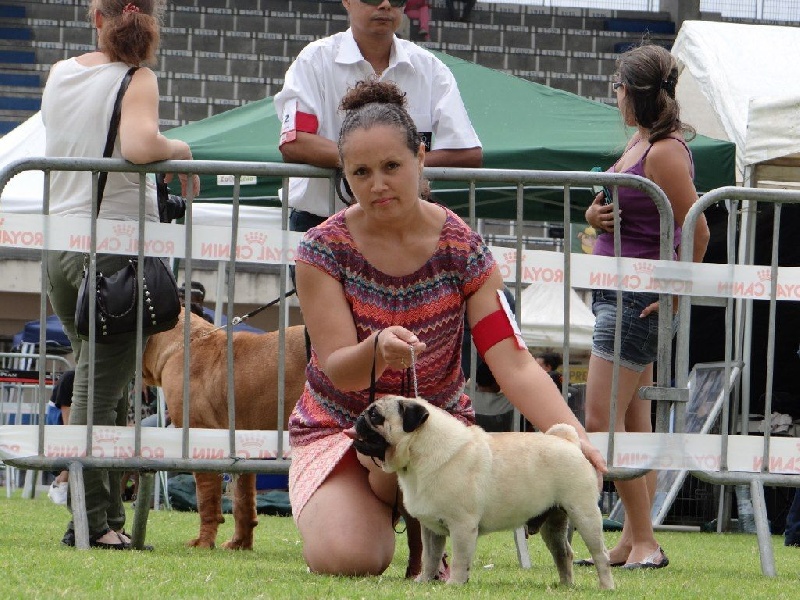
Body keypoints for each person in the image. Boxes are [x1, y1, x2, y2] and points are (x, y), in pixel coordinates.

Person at [289, 79, 606, 578]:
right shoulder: (320, 250)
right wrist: (376, 348)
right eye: (361, 172)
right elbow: (339, 370)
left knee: (420, 473)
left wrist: (574, 437)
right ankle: (389, 507)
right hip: (343, 424)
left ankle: (425, 533)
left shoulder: (465, 249)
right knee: (348, 560)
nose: (377, 184)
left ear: (421, 157)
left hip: (438, 434)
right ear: (344, 175)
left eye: (392, 166)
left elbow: (514, 362)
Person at [41, 0, 199, 550]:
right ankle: (90, 522)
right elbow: (139, 146)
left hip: (60, 247)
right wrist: (181, 149)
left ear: (96, 18)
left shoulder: (62, 73)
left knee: (101, 385)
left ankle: (105, 518)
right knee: (98, 389)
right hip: (112, 250)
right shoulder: (138, 78)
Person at [580, 44, 710, 570]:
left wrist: (673, 293)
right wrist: (594, 216)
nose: (615, 97)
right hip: (620, 293)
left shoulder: (664, 151)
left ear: (632, 93)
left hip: (638, 299)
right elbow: (627, 208)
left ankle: (646, 543)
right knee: (633, 426)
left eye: (617, 88)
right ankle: (634, 541)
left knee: (600, 418)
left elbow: (697, 229)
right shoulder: (643, 142)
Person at [274, 0, 482, 236]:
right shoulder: (314, 60)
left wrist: (395, 165)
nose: (385, 5)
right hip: (320, 221)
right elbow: (294, 141)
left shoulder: (431, 68)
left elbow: (468, 152)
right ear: (347, 2)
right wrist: (377, 164)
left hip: (402, 222)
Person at [46, 369, 75, 505]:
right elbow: (66, 417)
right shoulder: (70, 378)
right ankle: (61, 481)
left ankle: (61, 482)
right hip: (60, 426)